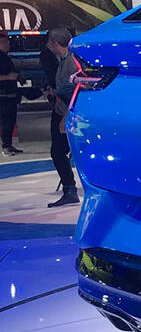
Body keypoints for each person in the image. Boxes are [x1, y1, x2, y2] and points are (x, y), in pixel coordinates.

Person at [44, 27, 79, 207]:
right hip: (60, 111)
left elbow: (76, 92)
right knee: (58, 152)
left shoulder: (71, 62)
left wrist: (66, 116)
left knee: (58, 152)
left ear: (55, 43)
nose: (49, 46)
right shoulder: (65, 60)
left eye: (50, 42)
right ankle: (69, 189)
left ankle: (70, 190)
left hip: (67, 114)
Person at [0, 35, 22, 156]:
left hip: (10, 94)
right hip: (3, 95)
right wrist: (8, 77)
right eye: (4, 42)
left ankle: (8, 144)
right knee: (6, 121)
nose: (7, 44)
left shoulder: (6, 57)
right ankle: (6, 145)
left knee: (10, 120)